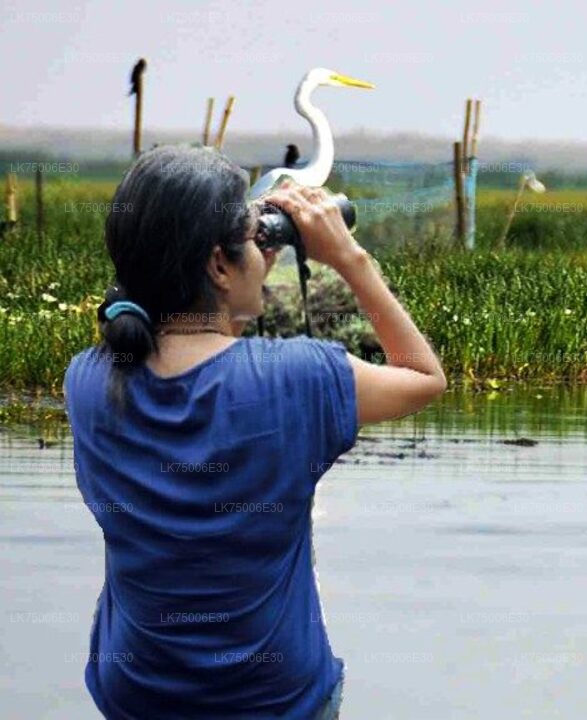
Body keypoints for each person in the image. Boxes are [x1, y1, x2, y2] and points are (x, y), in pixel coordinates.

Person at [63, 145, 447, 718]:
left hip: (138, 693)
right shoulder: (302, 376)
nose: (266, 255)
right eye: (255, 241)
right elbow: (423, 377)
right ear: (219, 266)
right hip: (275, 699)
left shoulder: (89, 380)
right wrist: (347, 256)